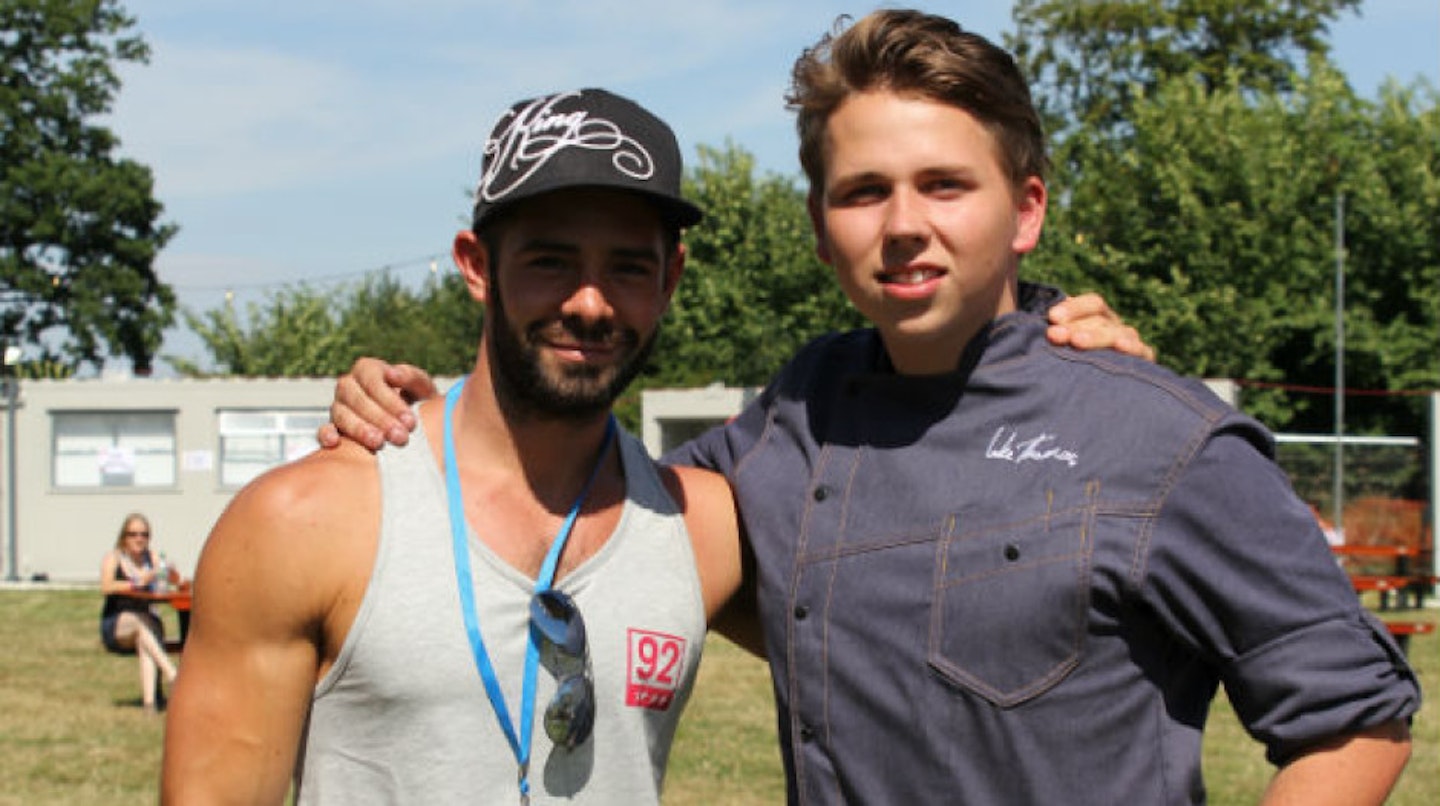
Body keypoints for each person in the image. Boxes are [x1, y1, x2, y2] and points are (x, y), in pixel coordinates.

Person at [324, 10, 1420, 805]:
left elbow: (1354, 717)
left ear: (1025, 207)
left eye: (945, 184)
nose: (903, 225)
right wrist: (417, 405)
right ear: (820, 227)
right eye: (862, 192)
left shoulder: (1160, 438)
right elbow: (585, 494)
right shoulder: (793, 418)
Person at [162, 88, 748, 805]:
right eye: (550, 261)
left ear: (671, 279)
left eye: (628, 267)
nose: (590, 303)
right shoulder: (302, 521)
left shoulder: (706, 529)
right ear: (476, 266)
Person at [99, 512, 180, 714]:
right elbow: (107, 586)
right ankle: (172, 674)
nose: (139, 539)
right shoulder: (114, 558)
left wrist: (166, 572)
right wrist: (136, 582)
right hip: (117, 623)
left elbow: (174, 580)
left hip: (146, 623)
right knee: (141, 624)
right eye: (133, 534)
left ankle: (150, 704)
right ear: (123, 537)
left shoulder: (151, 558)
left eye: (144, 535)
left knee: (145, 635)